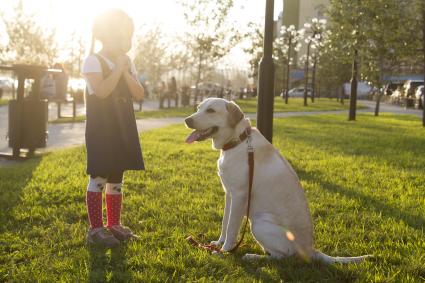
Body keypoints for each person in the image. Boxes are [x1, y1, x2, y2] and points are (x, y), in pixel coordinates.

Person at [82, 9, 145, 247]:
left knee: (117, 176)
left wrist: (126, 70)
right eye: (120, 36)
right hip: (102, 129)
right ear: (105, 35)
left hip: (122, 126)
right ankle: (95, 229)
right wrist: (118, 68)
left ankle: (114, 224)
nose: (125, 42)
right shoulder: (93, 61)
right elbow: (102, 91)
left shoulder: (128, 63)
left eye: (127, 37)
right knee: (99, 174)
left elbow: (138, 93)